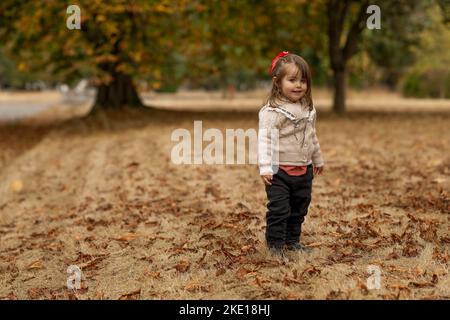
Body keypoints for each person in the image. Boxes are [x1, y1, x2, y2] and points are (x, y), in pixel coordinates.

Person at [258, 51, 324, 255]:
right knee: (279, 210)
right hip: (279, 172)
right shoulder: (273, 111)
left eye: (303, 81)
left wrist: (317, 159)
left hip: (303, 171)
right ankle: (275, 246)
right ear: (277, 82)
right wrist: (265, 167)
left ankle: (292, 241)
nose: (298, 85)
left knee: (299, 209)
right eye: (292, 80)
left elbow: (311, 136)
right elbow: (265, 140)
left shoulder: (307, 109)